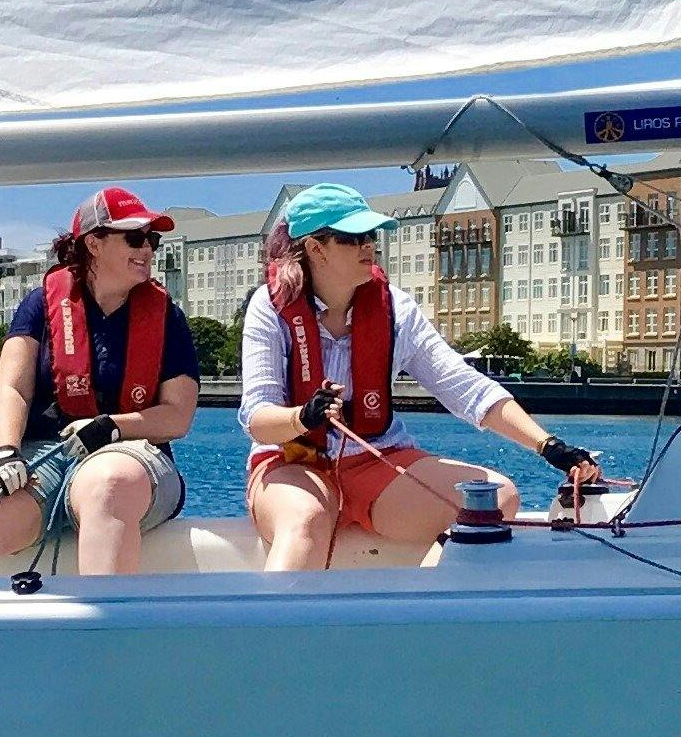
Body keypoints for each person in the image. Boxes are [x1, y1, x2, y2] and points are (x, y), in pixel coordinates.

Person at [241, 183, 602, 571]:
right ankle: (274, 630)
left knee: (495, 499)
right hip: (291, 461)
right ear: (315, 248)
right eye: (353, 238)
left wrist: (548, 446)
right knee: (305, 520)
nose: (368, 246)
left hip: (375, 462)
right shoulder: (269, 307)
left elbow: (466, 388)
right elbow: (258, 420)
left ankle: (423, 617)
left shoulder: (395, 308)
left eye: (370, 236)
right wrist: (302, 417)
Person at [0, 186, 200, 578]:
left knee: (107, 484)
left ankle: (101, 635)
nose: (147, 249)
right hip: (39, 453)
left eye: (152, 239)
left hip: (133, 454)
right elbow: (14, 388)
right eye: (135, 238)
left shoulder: (168, 317)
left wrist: (111, 426)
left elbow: (177, 417)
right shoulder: (39, 304)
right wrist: (7, 452)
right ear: (93, 243)